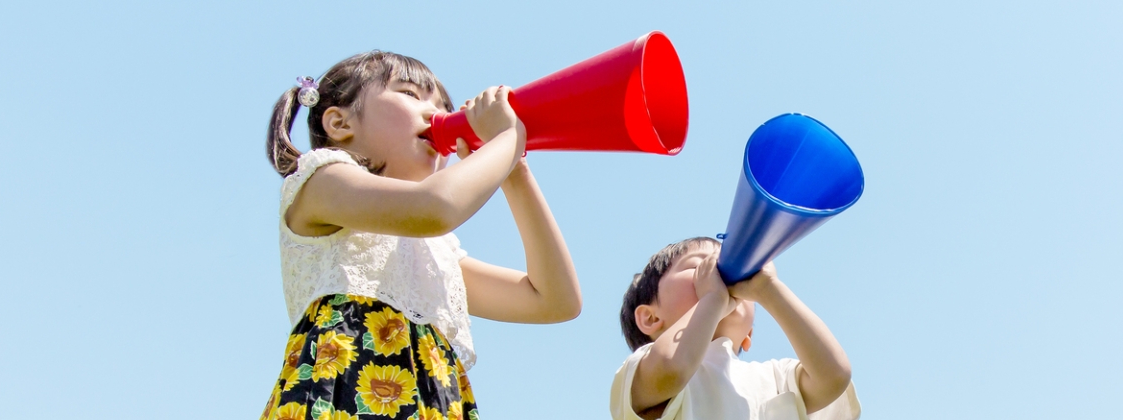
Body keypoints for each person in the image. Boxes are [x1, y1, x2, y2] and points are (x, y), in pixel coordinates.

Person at [260, 51, 580, 420]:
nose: (436, 113)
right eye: (411, 94)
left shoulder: (432, 250)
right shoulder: (322, 180)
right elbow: (435, 207)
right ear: (339, 122)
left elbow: (555, 300)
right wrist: (505, 140)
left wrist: (515, 170)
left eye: (442, 104)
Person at [612, 237, 859, 420]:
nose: (723, 274)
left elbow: (834, 376)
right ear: (650, 318)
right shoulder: (641, 369)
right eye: (699, 267)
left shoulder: (776, 377)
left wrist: (768, 288)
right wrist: (713, 300)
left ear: (748, 336)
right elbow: (671, 368)